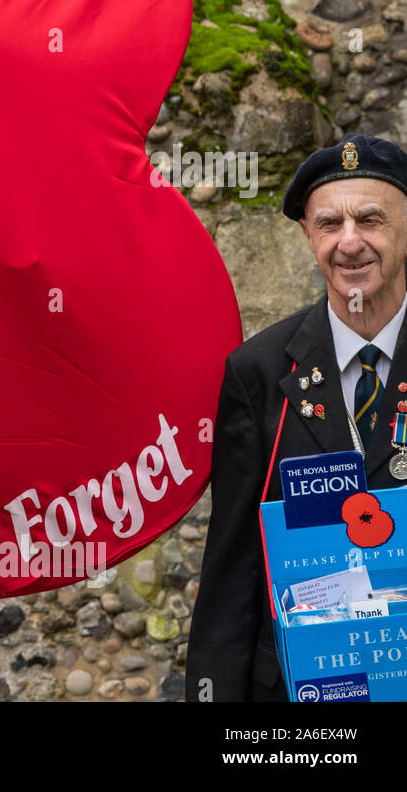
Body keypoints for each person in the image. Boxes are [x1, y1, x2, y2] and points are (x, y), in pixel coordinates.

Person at [187, 133, 407, 702]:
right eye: (330, 224)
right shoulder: (256, 372)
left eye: (371, 220)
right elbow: (232, 573)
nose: (350, 242)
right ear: (308, 236)